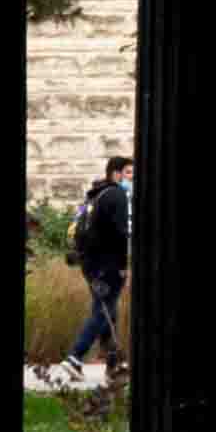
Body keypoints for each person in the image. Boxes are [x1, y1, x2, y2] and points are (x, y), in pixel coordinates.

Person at [62, 153, 132, 375]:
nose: (131, 177)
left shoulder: (95, 194)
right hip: (108, 264)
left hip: (90, 263)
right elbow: (122, 233)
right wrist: (124, 264)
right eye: (129, 173)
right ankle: (75, 357)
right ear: (116, 173)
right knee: (104, 311)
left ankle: (112, 365)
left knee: (106, 309)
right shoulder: (118, 195)